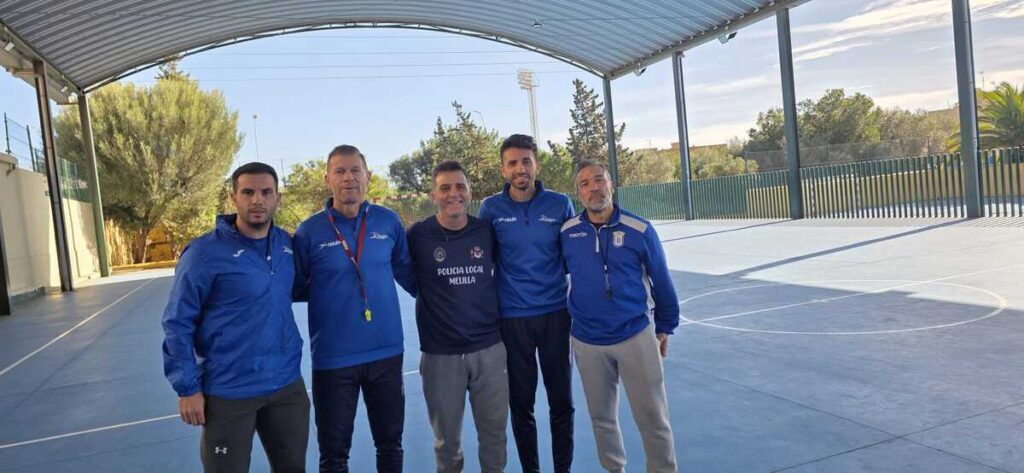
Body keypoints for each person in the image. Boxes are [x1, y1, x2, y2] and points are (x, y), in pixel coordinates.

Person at [162, 162, 309, 473]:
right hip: (229, 391)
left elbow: (295, 290)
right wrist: (187, 388)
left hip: (286, 385)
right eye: (248, 192)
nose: (257, 200)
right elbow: (177, 322)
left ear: (277, 198)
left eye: (266, 192)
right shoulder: (203, 254)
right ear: (233, 198)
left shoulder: (286, 245)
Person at [293, 145, 416, 473]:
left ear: (368, 176)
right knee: (334, 456)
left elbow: (410, 275)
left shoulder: (388, 222)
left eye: (355, 170)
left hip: (386, 352)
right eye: (340, 171)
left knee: (390, 445)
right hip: (333, 359)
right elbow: (294, 286)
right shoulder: (309, 232)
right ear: (327, 180)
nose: (348, 177)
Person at [560, 160, 679, 473]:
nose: (593, 188)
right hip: (587, 341)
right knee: (602, 419)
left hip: (634, 335)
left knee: (653, 418)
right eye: (585, 184)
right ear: (578, 193)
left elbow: (661, 280)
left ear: (611, 184)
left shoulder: (639, 229)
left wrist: (665, 326)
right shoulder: (568, 233)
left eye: (599, 180)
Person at [477, 134, 576, 473]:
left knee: (561, 401)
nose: (520, 168)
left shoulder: (560, 204)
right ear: (503, 169)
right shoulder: (491, 209)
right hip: (513, 319)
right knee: (521, 404)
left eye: (526, 161)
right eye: (513, 163)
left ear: (537, 165)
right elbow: (486, 261)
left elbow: (571, 257)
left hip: (555, 315)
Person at [407, 160, 509, 473]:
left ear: (469, 192)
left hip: (489, 350)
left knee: (494, 438)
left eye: (460, 186)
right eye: (445, 188)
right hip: (440, 355)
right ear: (433, 195)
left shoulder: (486, 231)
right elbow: (409, 279)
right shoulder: (417, 236)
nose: (454, 193)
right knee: (447, 445)